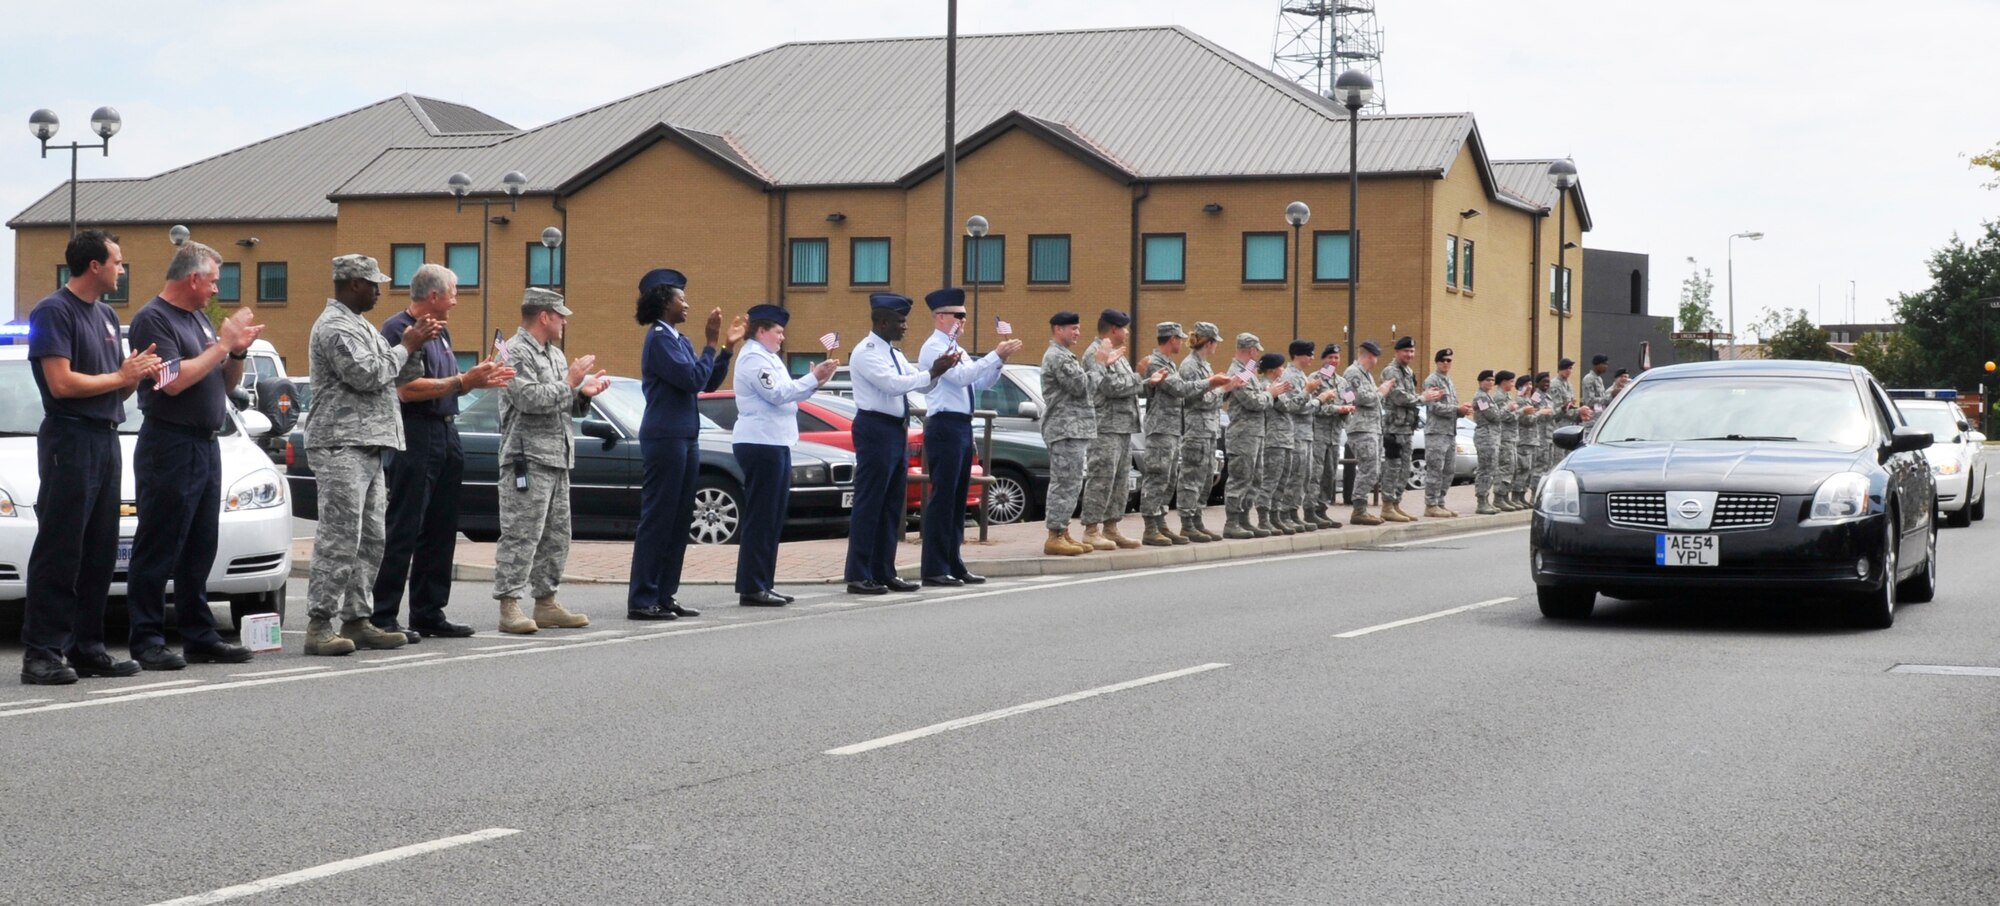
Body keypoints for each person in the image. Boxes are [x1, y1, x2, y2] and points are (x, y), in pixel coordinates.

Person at [20, 230, 162, 685]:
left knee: (99, 550)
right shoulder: (53, 311)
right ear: (94, 265)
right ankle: (42, 653)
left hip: (106, 437)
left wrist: (135, 376)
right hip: (70, 439)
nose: (123, 270)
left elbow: (113, 383)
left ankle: (87, 647)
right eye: (117, 262)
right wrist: (119, 374)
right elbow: (61, 384)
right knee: (62, 548)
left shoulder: (104, 314)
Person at [124, 241, 261, 671]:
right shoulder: (153, 318)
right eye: (214, 281)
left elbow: (221, 383)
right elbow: (170, 381)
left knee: (201, 545)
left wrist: (235, 351)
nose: (216, 291)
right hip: (169, 443)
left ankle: (199, 635)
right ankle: (146, 639)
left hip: (205, 443)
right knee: (159, 543)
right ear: (193, 278)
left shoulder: (199, 317)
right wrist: (221, 345)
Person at [304, 254, 437, 656]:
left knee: (372, 538)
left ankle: (358, 619)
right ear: (353, 284)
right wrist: (406, 345)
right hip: (340, 444)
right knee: (340, 538)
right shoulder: (334, 326)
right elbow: (367, 375)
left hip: (371, 445)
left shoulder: (362, 326)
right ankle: (319, 623)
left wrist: (414, 346)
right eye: (373, 283)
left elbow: (394, 372)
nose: (380, 290)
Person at [372, 263, 512, 641]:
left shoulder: (441, 330)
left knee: (440, 528)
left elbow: (447, 385)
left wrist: (474, 379)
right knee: (405, 525)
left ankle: (429, 612)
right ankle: (383, 614)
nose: (457, 298)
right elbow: (407, 389)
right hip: (415, 433)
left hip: (446, 430)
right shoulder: (399, 330)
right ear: (433, 296)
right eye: (453, 291)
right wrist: (464, 380)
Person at [492, 288, 611, 633]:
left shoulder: (555, 354)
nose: (564, 321)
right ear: (544, 316)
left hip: (557, 456)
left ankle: (545, 601)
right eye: (560, 315)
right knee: (521, 532)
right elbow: (528, 398)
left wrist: (581, 395)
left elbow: (560, 400)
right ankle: (509, 605)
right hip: (526, 457)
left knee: (557, 534)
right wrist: (570, 382)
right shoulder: (511, 352)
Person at [627, 268, 742, 620]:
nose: (687, 303)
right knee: (659, 517)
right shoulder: (659, 339)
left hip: (685, 435)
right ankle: (642, 598)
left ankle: (665, 593)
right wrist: (710, 343)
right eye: (681, 298)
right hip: (665, 436)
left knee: (679, 520)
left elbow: (705, 383)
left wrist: (724, 349)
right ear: (664, 302)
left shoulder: (679, 339)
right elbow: (692, 378)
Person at [846, 293, 957, 593]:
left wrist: (938, 370)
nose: (905, 326)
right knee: (870, 503)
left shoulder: (892, 353)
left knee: (891, 504)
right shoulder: (867, 351)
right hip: (874, 428)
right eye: (900, 321)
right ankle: (858, 573)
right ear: (882, 322)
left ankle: (883, 570)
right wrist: (931, 372)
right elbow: (893, 384)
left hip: (894, 430)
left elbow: (919, 379)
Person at [733, 304, 840, 605]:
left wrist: (817, 380)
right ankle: (752, 586)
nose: (782, 338)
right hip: (760, 442)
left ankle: (763, 581)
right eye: (778, 332)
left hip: (775, 441)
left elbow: (791, 393)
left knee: (773, 515)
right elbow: (778, 394)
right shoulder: (754, 358)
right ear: (762, 331)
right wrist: (812, 378)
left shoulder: (768, 358)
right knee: (762, 516)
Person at [917, 288, 1022, 585]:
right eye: (958, 316)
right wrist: (993, 355)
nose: (963, 321)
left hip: (961, 425)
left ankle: (953, 561)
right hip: (945, 425)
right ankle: (935, 567)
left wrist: (999, 361)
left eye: (964, 316)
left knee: (957, 498)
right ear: (940, 317)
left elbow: (980, 381)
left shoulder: (956, 348)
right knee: (943, 498)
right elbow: (961, 377)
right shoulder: (933, 347)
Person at [1139, 322, 1231, 545]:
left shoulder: (1168, 363)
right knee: (1158, 477)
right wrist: (1212, 383)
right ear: (1172, 339)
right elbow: (1181, 390)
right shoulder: (1156, 364)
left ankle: (1161, 524)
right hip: (1161, 428)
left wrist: (1216, 386)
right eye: (1178, 338)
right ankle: (1151, 527)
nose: (1182, 341)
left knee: (1169, 479)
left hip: (1172, 429)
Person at [1040, 311, 1114, 555]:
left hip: (1073, 427)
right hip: (1064, 428)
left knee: (1071, 484)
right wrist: (1100, 363)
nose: (1077, 333)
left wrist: (1101, 365)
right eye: (1073, 328)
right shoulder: (1057, 357)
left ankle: (1062, 531)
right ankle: (1055, 535)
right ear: (1058, 329)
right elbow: (1082, 386)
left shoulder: (1065, 356)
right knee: (1064, 483)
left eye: (1078, 328)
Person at [1079, 309, 1144, 551]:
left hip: (1122, 426)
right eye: (1124, 328)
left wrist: (1137, 377)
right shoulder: (1096, 353)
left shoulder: (1118, 355)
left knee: (1119, 480)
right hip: (1105, 426)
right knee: (1102, 478)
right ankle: (1091, 529)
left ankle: (1111, 527)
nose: (1127, 333)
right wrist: (1139, 377)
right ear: (1114, 329)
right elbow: (1108, 386)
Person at [1222, 334, 1286, 539]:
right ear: (1250, 350)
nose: (1257, 354)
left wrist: (1267, 391)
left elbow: (1258, 395)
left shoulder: (1248, 371)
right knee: (1241, 478)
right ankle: (1232, 522)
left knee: (1255, 478)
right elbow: (1253, 402)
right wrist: (1271, 393)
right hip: (1243, 434)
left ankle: (1244, 519)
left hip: (1255, 433)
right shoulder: (1238, 372)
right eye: (1256, 350)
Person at [1173, 322, 1232, 543]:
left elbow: (1211, 395)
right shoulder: (1190, 366)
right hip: (1196, 430)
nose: (1216, 346)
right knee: (1192, 478)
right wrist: (1223, 390)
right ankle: (1187, 523)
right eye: (1215, 342)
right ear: (1209, 342)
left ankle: (1197, 520)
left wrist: (1224, 389)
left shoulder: (1204, 365)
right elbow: (1198, 399)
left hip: (1208, 430)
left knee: (1206, 478)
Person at [1377, 336, 1434, 523]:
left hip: (1407, 427)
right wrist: (1423, 398)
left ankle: (1396, 503)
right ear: (1397, 352)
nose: (1409, 354)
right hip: (1393, 428)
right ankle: (1386, 506)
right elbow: (1399, 397)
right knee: (1393, 468)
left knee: (1404, 469)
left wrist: (1420, 398)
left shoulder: (1408, 371)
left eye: (1411, 351)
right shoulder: (1390, 371)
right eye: (1405, 351)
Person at [1279, 340, 1331, 533]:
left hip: (1306, 433)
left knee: (1305, 475)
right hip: (1295, 433)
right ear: (1299, 355)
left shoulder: (1301, 375)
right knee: (1295, 475)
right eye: (1309, 354)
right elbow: (1292, 406)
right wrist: (1319, 400)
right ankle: (1285, 513)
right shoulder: (1289, 376)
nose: (1311, 358)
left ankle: (1293, 512)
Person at [1305, 344, 1354, 528]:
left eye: (1336, 358)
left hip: (1335, 435)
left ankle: (1322, 510)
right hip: (1318, 432)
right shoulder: (1314, 379)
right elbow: (1313, 406)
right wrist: (1337, 408)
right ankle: (1310, 510)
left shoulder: (1342, 382)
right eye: (1330, 357)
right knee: (1315, 474)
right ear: (1323, 359)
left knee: (1330, 474)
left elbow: (1351, 401)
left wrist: (1348, 409)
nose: (1334, 361)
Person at [1340, 340, 1388, 526]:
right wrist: (1381, 392)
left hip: (1372, 427)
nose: (1376, 360)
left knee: (1373, 470)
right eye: (1375, 356)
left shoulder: (1366, 375)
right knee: (1369, 469)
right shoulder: (1353, 373)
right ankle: (1359, 509)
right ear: (1369, 356)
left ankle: (1361, 508)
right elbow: (1355, 397)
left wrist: (1377, 392)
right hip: (1361, 428)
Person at [1421, 348, 1473, 518]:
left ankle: (1440, 502)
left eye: (1449, 360)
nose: (1446, 363)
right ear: (1437, 362)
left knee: (1449, 470)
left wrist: (1461, 410)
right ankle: (1431, 504)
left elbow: (1452, 406)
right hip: (1436, 432)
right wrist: (1456, 409)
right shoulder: (1432, 381)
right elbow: (1434, 407)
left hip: (1449, 432)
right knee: (1435, 469)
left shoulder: (1449, 381)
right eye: (1443, 360)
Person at [1258, 351, 1302, 535]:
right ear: (1273, 370)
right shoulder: (1268, 387)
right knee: (1271, 480)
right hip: (1274, 440)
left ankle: (1275, 517)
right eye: (1280, 367)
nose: (1283, 370)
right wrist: (1307, 392)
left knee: (1282, 480)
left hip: (1285, 439)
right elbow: (1289, 407)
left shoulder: (1277, 386)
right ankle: (1263, 519)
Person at [1470, 369, 1504, 515]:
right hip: (1485, 437)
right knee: (1485, 469)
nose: (1490, 382)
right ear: (1480, 381)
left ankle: (1486, 500)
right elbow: (1493, 416)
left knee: (1490, 469)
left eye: (1492, 380)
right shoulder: (1481, 398)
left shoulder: (1487, 397)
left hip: (1492, 437)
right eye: (1487, 380)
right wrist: (1507, 410)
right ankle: (1481, 501)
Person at [1512, 373, 1548, 506]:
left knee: (1528, 470)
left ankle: (1521, 496)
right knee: (1522, 469)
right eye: (1526, 385)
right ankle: (1516, 496)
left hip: (1532, 439)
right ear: (1520, 387)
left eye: (1530, 384)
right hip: (1524, 440)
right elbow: (1526, 419)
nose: (1529, 387)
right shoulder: (1520, 401)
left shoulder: (1528, 400)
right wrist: (1540, 413)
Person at [1491, 370, 1523, 511]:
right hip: (1504, 437)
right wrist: (1516, 412)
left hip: (1511, 437)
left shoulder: (1507, 395)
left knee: (1512, 468)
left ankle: (1505, 497)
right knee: (1505, 467)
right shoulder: (1498, 397)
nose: (1513, 384)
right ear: (1504, 382)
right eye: (1511, 381)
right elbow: (1501, 416)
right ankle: (1499, 497)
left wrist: (1515, 412)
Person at [1580, 354, 1612, 418]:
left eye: (1607, 364)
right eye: (1604, 364)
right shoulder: (1589, 379)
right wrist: (1609, 397)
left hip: (1599, 416)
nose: (1606, 366)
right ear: (1597, 365)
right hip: (1591, 418)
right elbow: (1589, 401)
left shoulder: (1599, 379)